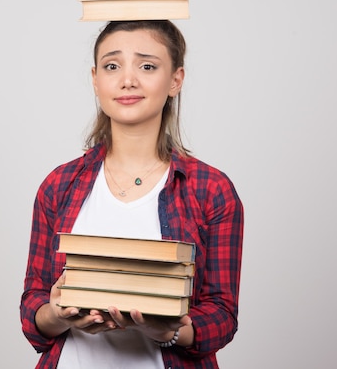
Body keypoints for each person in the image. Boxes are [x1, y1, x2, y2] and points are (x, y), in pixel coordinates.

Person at [20, 19, 244, 369]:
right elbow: (33, 307)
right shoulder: (59, 185)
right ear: (95, 80)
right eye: (112, 66)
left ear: (175, 80)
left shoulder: (211, 190)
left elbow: (222, 315)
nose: (128, 80)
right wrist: (58, 314)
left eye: (147, 66)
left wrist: (167, 331)